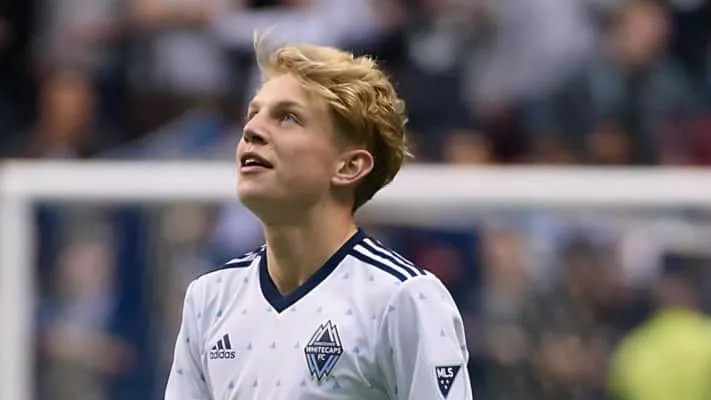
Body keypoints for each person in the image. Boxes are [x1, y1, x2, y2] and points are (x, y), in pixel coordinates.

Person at [164, 38, 472, 399]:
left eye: (287, 117)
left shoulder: (402, 298)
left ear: (349, 166)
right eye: (253, 114)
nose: (252, 130)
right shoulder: (209, 298)